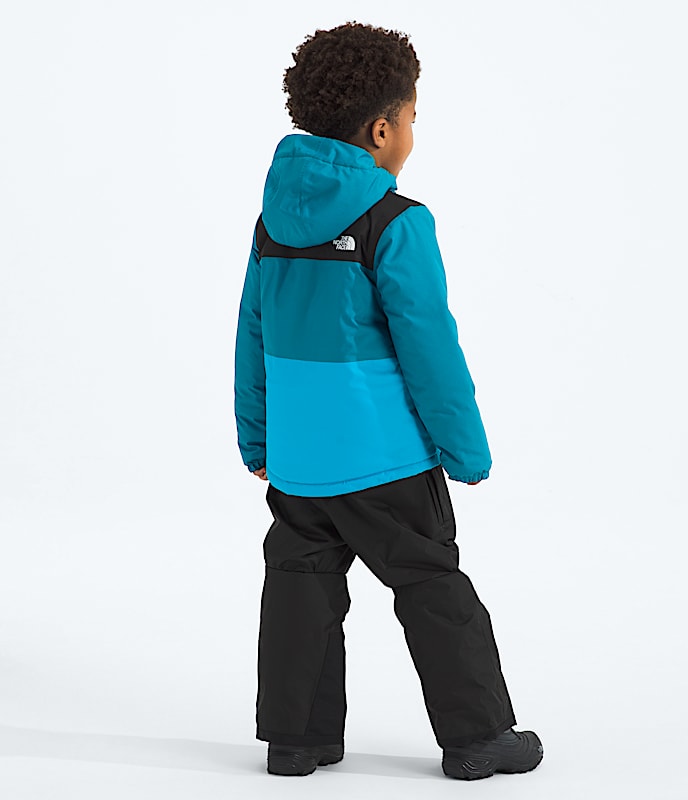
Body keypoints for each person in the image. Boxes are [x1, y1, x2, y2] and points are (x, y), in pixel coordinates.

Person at [233, 21, 543, 780]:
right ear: (381, 130)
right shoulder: (398, 222)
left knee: (299, 587)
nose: (410, 133)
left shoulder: (273, 222)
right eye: (410, 117)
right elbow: (430, 347)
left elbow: (252, 333)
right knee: (432, 585)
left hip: (300, 462)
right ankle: (478, 738)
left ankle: (296, 741)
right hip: (386, 459)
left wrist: (257, 437)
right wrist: (464, 447)